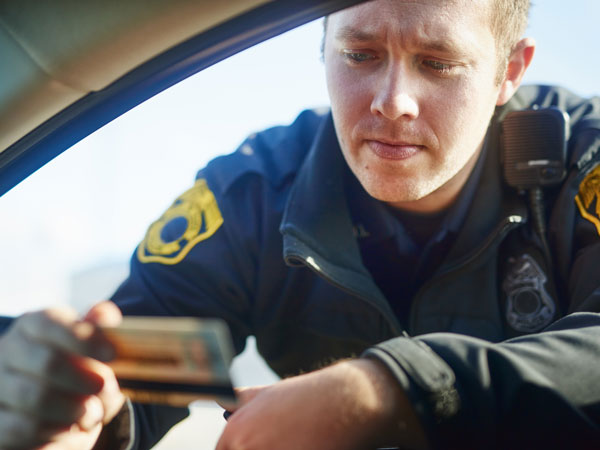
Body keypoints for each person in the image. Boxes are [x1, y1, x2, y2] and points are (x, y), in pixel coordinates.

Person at [1, 0, 599, 448]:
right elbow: (139, 363)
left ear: (509, 71)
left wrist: (385, 391)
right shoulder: (258, 192)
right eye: (360, 54)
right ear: (322, 47)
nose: (393, 102)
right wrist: (78, 405)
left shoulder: (580, 161)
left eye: (438, 63)